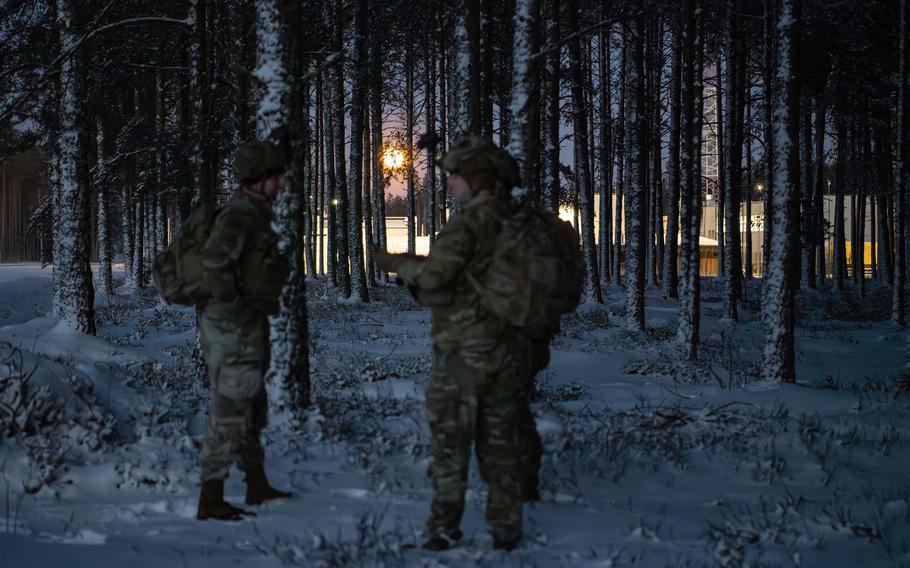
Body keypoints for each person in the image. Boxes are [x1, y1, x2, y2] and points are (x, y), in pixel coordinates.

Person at [374, 136, 545, 551]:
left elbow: (434, 277)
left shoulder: (469, 223)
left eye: (457, 176)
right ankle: (506, 532)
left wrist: (395, 263)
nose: (451, 183)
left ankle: (443, 530)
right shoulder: (525, 223)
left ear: (478, 179)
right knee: (501, 445)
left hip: (464, 355)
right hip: (512, 352)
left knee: (450, 446)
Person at [195, 140, 293, 521]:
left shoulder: (255, 214)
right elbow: (214, 265)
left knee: (251, 405)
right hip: (233, 329)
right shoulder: (239, 217)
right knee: (231, 408)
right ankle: (211, 497)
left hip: (246, 325)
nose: (283, 183)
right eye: (278, 177)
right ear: (261, 178)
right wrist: (236, 310)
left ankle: (256, 483)